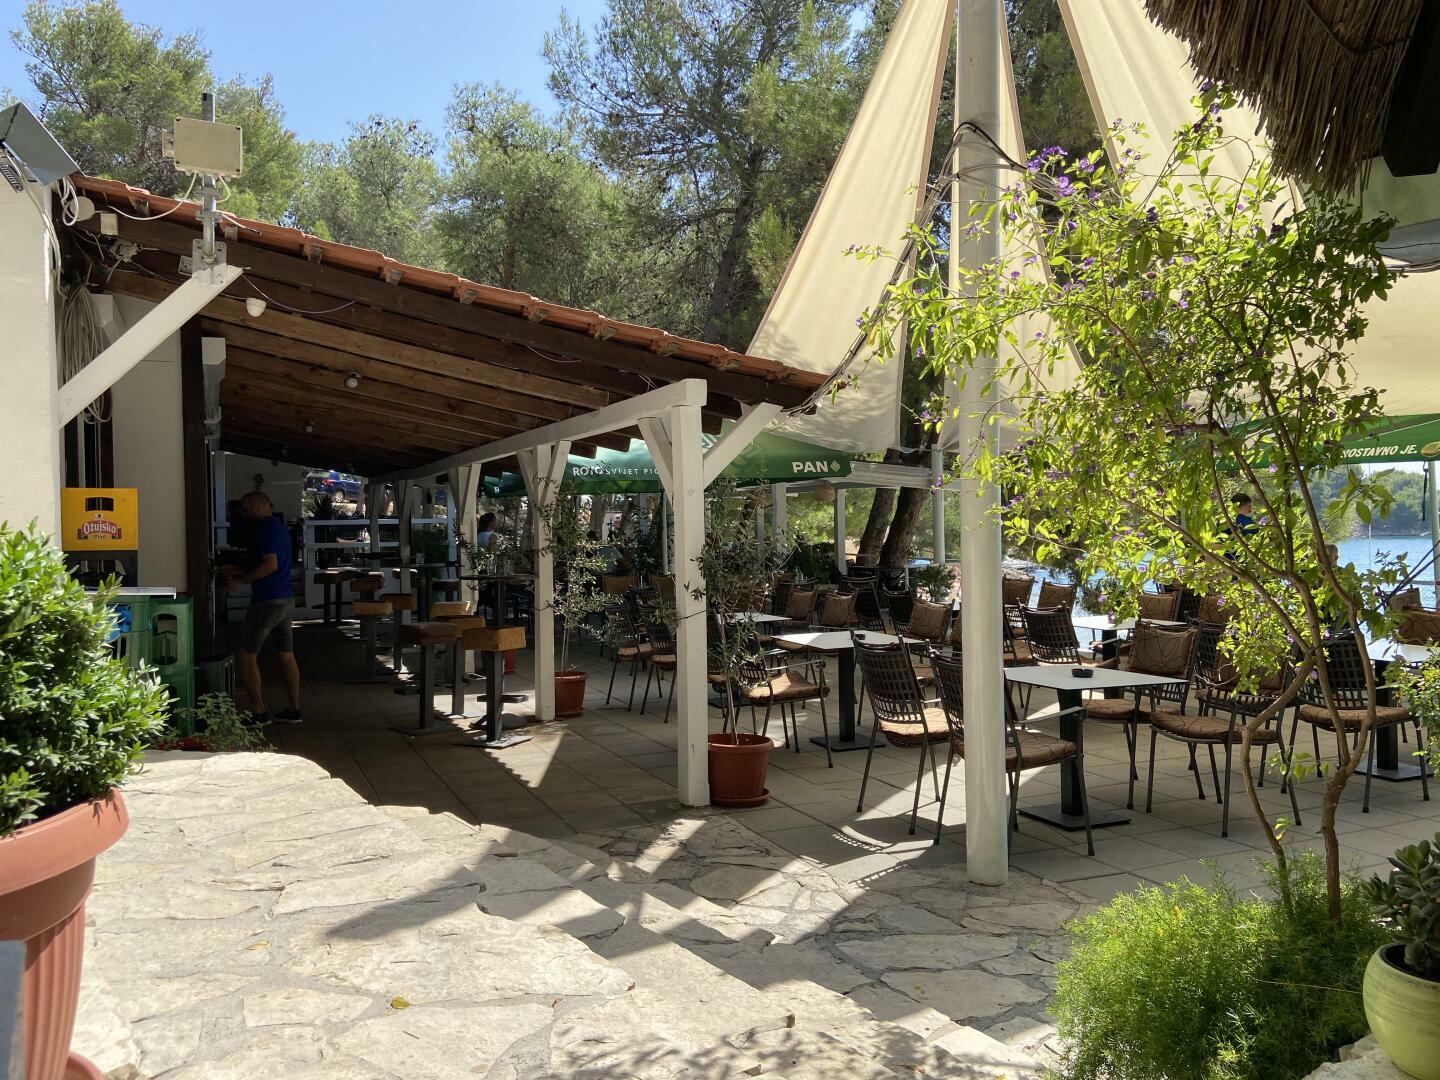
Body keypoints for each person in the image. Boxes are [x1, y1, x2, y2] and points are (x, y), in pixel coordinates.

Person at [221, 491, 301, 725]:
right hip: (285, 598)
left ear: (257, 507)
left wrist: (241, 580)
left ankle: (259, 712)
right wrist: (238, 569)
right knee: (286, 654)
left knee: (247, 655)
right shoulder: (279, 528)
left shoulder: (265, 529)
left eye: (245, 510)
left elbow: (270, 565)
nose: (243, 515)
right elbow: (268, 562)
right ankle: (294, 709)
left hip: (267, 600)